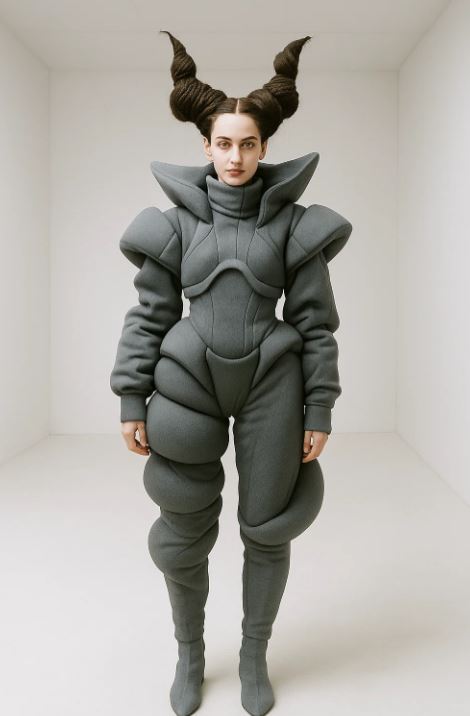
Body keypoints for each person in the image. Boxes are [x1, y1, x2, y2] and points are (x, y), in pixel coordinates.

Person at [110, 30, 352, 716]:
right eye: (224, 143)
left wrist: (319, 406)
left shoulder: (295, 226)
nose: (236, 156)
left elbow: (316, 323)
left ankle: (252, 655)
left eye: (248, 144)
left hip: (274, 381)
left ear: (264, 147)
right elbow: (150, 315)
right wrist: (131, 395)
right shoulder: (175, 226)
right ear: (206, 146)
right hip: (187, 383)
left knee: (267, 526)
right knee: (183, 532)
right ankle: (190, 654)